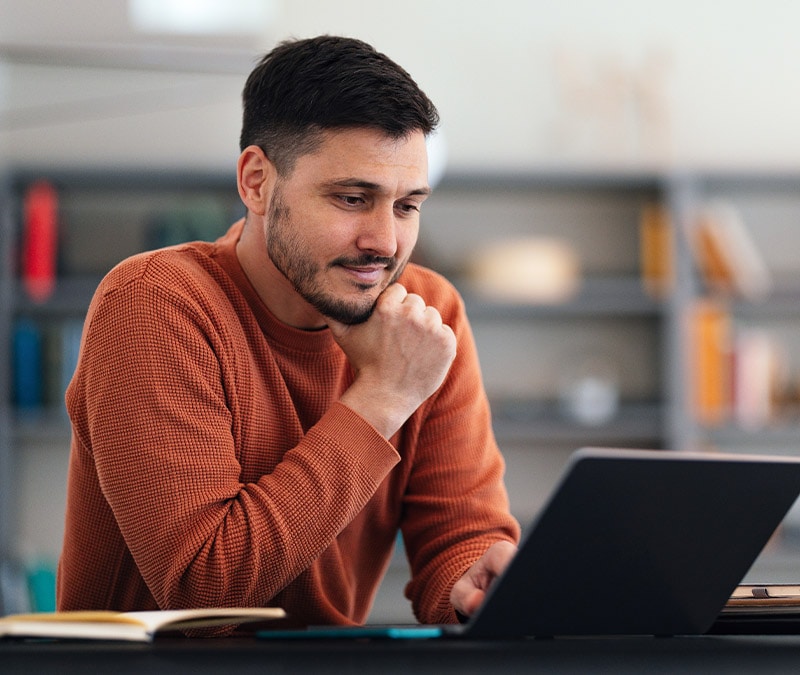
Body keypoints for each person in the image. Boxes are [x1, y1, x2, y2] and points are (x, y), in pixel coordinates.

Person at [57, 35, 520, 627]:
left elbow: (458, 535)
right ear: (256, 182)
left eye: (407, 206)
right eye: (353, 198)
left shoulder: (429, 314)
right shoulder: (156, 303)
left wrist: (471, 581)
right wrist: (384, 396)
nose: (385, 242)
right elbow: (203, 585)